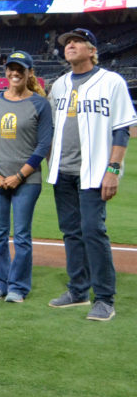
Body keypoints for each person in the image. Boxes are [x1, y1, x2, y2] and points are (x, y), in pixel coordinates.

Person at [45, 28, 137, 321]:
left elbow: (121, 129)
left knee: (93, 232)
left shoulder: (111, 82)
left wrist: (113, 170)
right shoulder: (59, 85)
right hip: (63, 171)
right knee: (71, 232)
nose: (69, 45)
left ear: (92, 50)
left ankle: (105, 297)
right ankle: (78, 290)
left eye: (75, 42)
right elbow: (51, 129)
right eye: (66, 42)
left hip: (95, 172)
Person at [0, 51, 53, 303]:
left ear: (30, 73)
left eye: (20, 69)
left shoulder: (40, 104)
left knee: (21, 236)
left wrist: (19, 176)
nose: (14, 73)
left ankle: (18, 287)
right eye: (10, 68)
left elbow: (43, 145)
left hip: (27, 181)